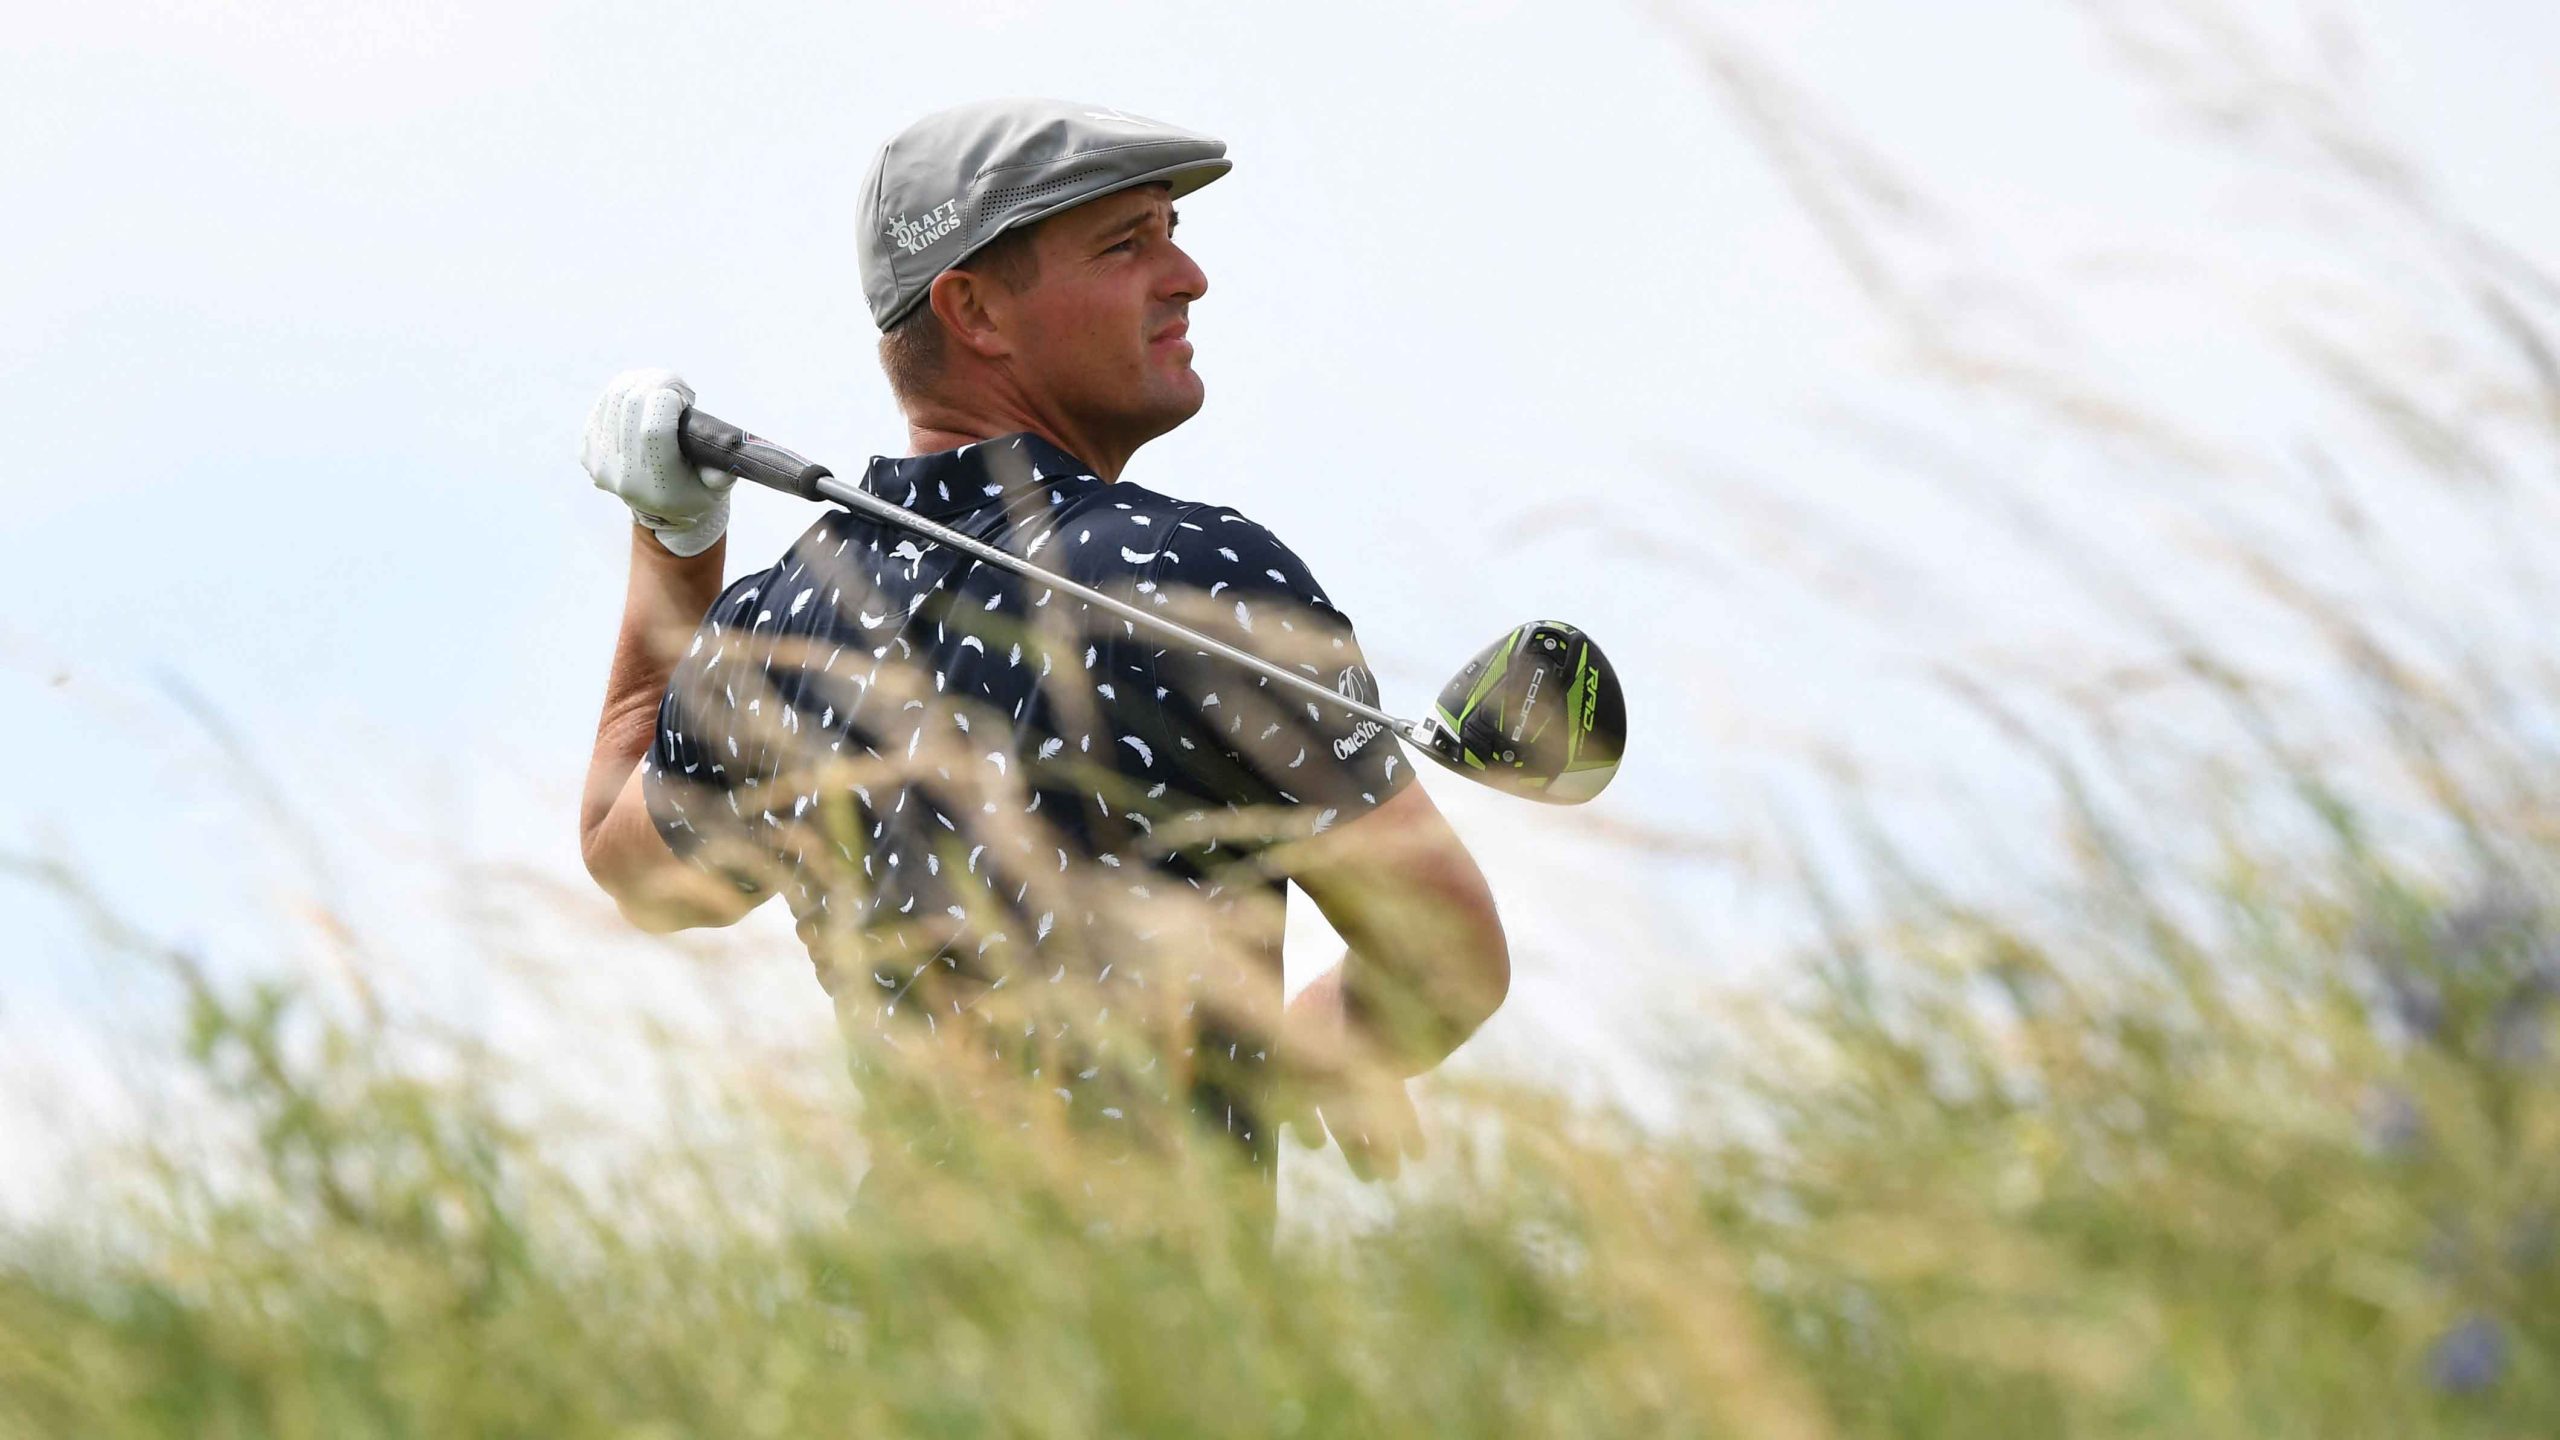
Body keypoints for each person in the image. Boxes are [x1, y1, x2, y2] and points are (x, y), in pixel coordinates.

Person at [575, 99, 1508, 1228]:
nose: (1188, 277)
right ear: (973, 310)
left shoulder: (785, 621)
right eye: (1126, 245)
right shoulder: (1197, 577)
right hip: (1153, 1322)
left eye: (1171, 232)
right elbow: (1449, 956)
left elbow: (630, 868)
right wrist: (1321, 1042)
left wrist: (675, 539)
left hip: (882, 1318)